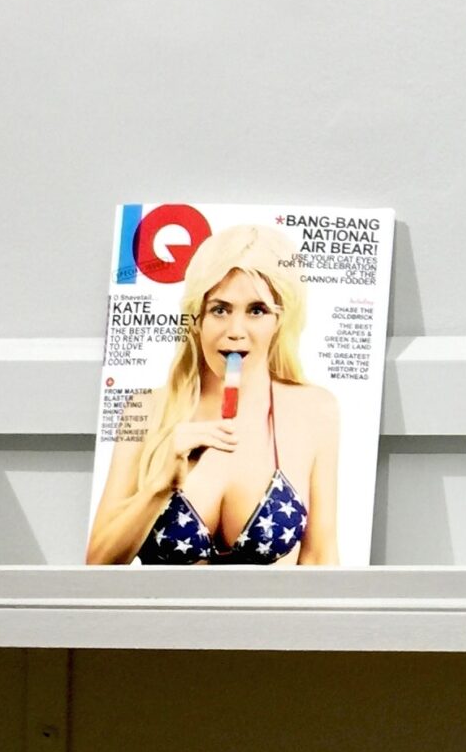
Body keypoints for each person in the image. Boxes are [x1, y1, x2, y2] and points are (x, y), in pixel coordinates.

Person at [86, 224, 342, 565]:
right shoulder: (144, 410)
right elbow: (97, 564)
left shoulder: (315, 410)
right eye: (220, 309)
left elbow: (321, 559)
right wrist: (158, 487)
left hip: (273, 605)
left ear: (279, 321)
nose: (235, 331)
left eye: (257, 310)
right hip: (165, 604)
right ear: (197, 319)